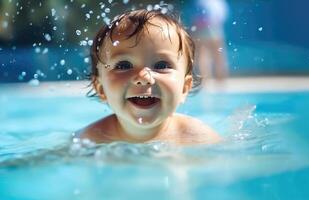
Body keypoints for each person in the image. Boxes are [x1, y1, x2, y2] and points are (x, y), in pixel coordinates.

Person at [77, 9, 221, 145]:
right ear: (101, 89)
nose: (143, 77)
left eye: (161, 65)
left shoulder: (197, 137)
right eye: (123, 66)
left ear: (184, 87)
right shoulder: (90, 140)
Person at [191, 0, 229, 81]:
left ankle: (205, 81)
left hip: (201, 30)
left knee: (202, 55)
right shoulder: (218, 2)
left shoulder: (200, 2)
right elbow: (223, 16)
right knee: (218, 55)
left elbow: (195, 17)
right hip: (215, 29)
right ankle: (221, 81)